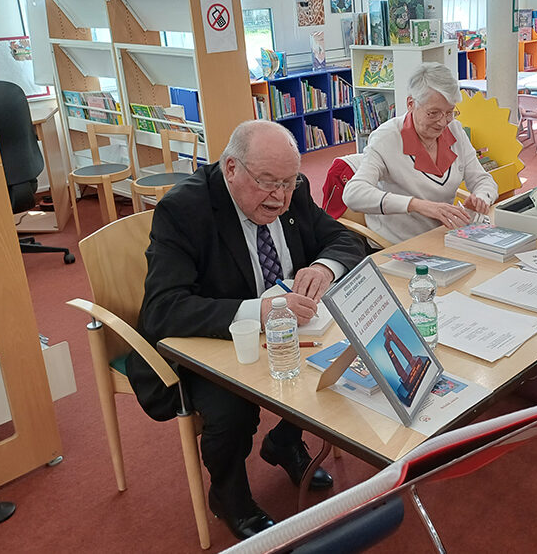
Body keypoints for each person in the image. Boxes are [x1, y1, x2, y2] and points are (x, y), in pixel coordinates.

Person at [129, 120, 365, 539]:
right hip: (212, 337)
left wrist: (322, 267)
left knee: (344, 354)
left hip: (289, 324)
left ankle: (285, 442)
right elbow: (164, 309)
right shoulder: (185, 210)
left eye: (289, 182)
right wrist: (262, 310)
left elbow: (345, 240)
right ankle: (228, 495)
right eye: (268, 182)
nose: (280, 197)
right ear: (231, 168)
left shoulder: (291, 193)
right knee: (231, 409)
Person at [343, 62, 498, 244]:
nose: (443, 122)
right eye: (433, 113)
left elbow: (483, 180)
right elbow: (353, 194)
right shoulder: (386, 139)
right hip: (397, 245)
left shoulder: (454, 130)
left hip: (443, 237)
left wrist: (480, 198)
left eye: (449, 112)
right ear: (410, 103)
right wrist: (415, 205)